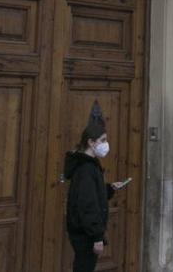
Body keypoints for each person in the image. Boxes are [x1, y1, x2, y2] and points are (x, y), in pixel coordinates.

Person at [65, 103, 128, 272]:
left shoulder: (89, 165)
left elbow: (92, 195)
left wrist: (109, 189)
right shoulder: (86, 169)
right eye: (103, 140)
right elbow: (87, 205)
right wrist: (97, 237)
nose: (106, 144)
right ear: (91, 143)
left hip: (83, 232)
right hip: (85, 233)